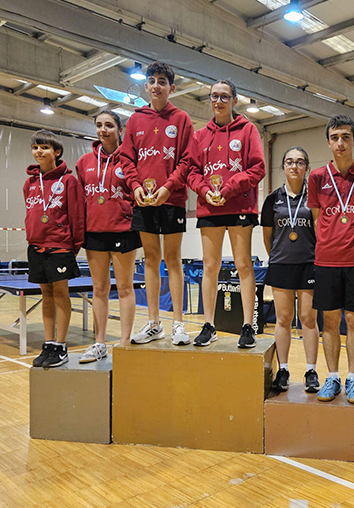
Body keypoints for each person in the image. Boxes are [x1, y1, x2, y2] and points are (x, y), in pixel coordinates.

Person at [119, 61, 197, 346]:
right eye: (151, 80)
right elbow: (126, 159)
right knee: (150, 260)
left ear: (171, 87)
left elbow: (188, 160)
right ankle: (154, 323)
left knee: (173, 260)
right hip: (144, 201)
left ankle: (178, 323)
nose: (155, 85)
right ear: (146, 86)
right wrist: (136, 186)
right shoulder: (135, 120)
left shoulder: (182, 119)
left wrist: (168, 187)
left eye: (162, 81)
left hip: (172, 199)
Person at [307, 115, 354, 404]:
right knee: (329, 321)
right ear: (328, 142)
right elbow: (317, 220)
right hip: (326, 261)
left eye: (346, 137)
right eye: (335, 137)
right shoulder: (316, 177)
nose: (340, 142)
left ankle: (353, 377)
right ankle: (333, 376)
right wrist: (330, 244)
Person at [187, 80, 266, 348]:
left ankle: (247, 326)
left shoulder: (248, 131)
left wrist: (230, 188)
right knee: (210, 266)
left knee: (243, 265)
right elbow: (192, 171)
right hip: (209, 206)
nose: (218, 101)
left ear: (234, 99)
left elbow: (257, 168)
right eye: (214, 96)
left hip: (239, 206)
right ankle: (209, 325)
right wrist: (205, 190)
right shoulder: (199, 136)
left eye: (224, 96)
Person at [75, 111, 141, 361]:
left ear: (120, 130)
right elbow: (80, 198)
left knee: (124, 288)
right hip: (94, 231)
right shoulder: (84, 162)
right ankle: (99, 342)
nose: (103, 130)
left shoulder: (129, 159)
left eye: (109, 125)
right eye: (99, 125)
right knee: (99, 288)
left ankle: (124, 343)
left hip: (124, 230)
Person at [261, 146, 320, 393]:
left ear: (306, 167)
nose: (294, 166)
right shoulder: (272, 199)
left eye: (299, 162)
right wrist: (277, 256)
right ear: (283, 167)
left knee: (308, 318)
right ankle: (283, 369)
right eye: (289, 162)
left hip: (309, 265)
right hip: (282, 265)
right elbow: (268, 237)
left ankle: (311, 371)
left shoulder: (315, 198)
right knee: (283, 318)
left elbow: (320, 233)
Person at [24, 130, 84, 368]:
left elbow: (78, 217)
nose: (39, 151)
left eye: (44, 147)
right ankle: (49, 342)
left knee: (60, 294)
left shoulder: (69, 181)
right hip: (36, 247)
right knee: (46, 295)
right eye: (36, 147)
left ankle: (60, 345)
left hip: (60, 247)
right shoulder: (29, 183)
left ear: (56, 152)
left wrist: (73, 246)